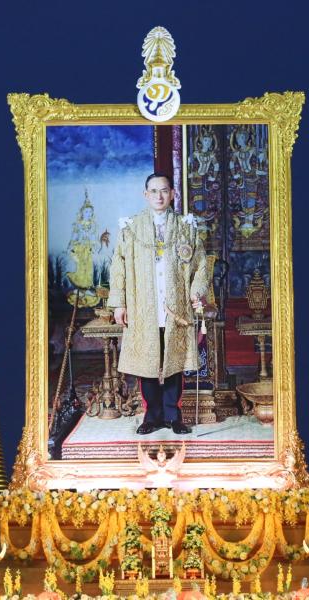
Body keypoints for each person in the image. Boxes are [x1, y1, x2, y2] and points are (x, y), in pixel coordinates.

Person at [108, 173, 208, 435]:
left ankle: (173, 416)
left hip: (176, 308)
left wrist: (196, 292)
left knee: (174, 360)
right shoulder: (130, 228)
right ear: (146, 195)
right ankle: (151, 416)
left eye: (164, 191)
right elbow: (118, 267)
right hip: (143, 307)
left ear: (173, 194)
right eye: (153, 191)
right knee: (148, 362)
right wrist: (119, 304)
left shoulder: (186, 227)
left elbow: (200, 264)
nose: (159, 196)